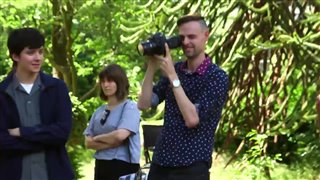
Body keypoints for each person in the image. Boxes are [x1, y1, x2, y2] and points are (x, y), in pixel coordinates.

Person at [138, 14, 229, 180]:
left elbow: (192, 119)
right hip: (160, 162)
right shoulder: (177, 68)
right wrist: (152, 66)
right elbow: (144, 104)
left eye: (192, 37)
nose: (186, 42)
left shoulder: (217, 77)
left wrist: (173, 77)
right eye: (182, 38)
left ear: (206, 35)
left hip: (191, 165)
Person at [0, 28, 74, 179]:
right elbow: (2, 142)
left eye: (40, 52)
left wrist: (22, 132)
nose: (38, 57)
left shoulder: (57, 88)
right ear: (15, 56)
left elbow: (62, 132)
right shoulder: (2, 93)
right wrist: (46, 141)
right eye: (31, 52)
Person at [83, 64, 141, 180]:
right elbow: (88, 143)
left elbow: (120, 135)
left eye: (110, 81)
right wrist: (110, 142)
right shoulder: (98, 111)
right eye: (103, 81)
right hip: (101, 165)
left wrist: (97, 138)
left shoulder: (130, 107)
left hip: (123, 167)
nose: (105, 85)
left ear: (119, 82)